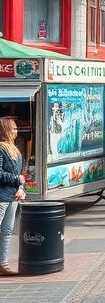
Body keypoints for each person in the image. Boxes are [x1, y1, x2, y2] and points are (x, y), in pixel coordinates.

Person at [0, 117, 26, 275]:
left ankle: (3, 264)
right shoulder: (1, 149)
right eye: (13, 129)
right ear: (4, 130)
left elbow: (20, 173)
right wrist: (16, 180)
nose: (16, 131)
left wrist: (20, 188)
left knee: (7, 231)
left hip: (12, 196)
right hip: (1, 196)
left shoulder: (14, 149)